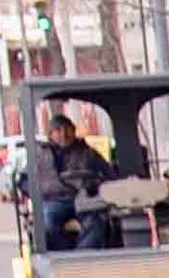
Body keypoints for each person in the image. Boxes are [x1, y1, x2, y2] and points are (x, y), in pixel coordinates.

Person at [25, 106, 111, 252]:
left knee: (97, 222)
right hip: (53, 200)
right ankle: (63, 255)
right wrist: (33, 192)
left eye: (67, 129)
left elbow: (108, 173)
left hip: (83, 198)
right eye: (58, 130)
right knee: (46, 223)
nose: (64, 134)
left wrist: (96, 185)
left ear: (74, 131)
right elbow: (23, 179)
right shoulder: (39, 155)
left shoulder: (88, 152)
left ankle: (82, 256)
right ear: (50, 134)